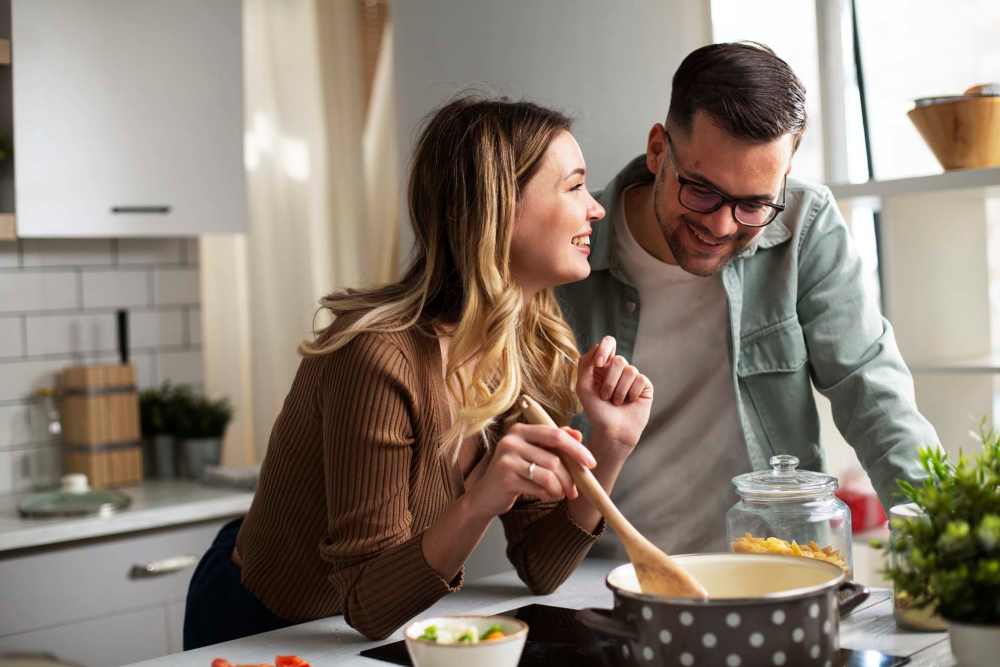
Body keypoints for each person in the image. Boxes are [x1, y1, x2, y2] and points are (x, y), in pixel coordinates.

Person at [184, 95, 655, 647]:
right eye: (574, 186)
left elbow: (542, 568)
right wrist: (479, 501)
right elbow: (367, 602)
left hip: (362, 633)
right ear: (499, 208)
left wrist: (613, 445)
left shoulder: (525, 346)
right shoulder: (376, 357)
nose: (595, 208)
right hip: (262, 629)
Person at [556, 42, 938, 560]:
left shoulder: (804, 222)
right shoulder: (568, 246)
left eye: (754, 203)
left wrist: (940, 543)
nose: (720, 226)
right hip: (606, 578)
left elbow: (872, 390)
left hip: (775, 566)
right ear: (657, 150)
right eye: (702, 191)